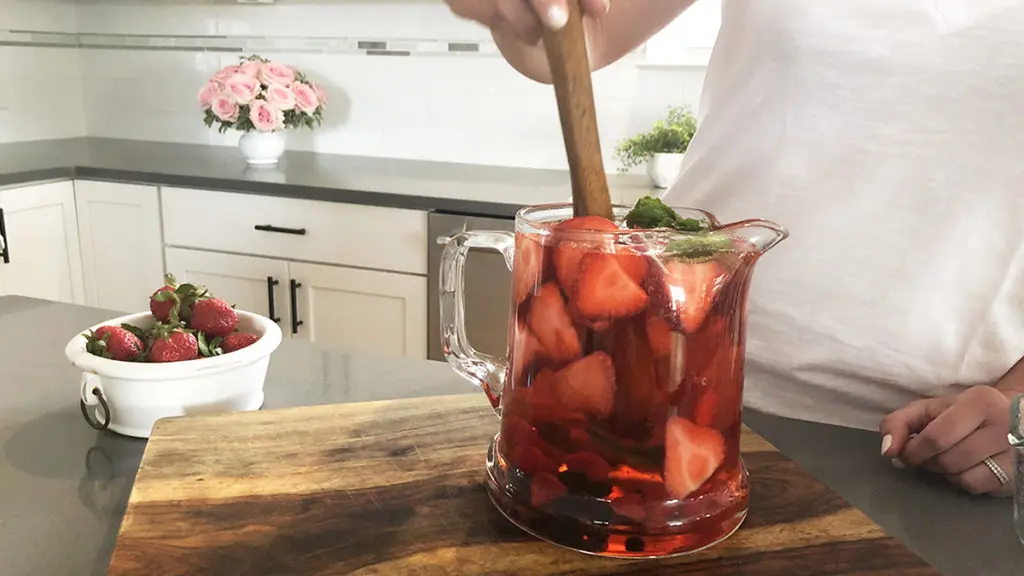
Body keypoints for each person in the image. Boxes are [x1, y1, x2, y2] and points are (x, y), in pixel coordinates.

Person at [445, 0, 1024, 497]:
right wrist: (526, 12)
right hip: (668, 389)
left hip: (941, 453)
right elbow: (577, 36)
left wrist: (1019, 403)